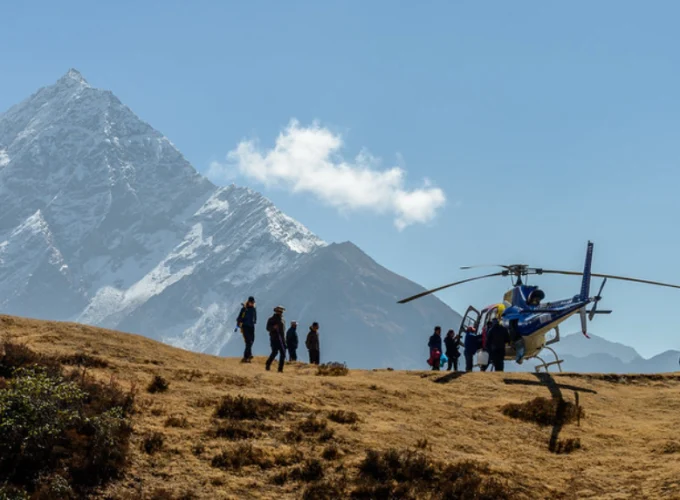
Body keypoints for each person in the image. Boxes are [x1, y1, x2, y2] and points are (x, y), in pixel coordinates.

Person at [265, 305, 287, 372]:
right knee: (275, 352)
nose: (280, 312)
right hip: (274, 339)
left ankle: (280, 369)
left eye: (281, 311)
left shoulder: (283, 320)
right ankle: (268, 364)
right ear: (276, 311)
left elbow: (283, 331)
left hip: (282, 339)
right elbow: (268, 328)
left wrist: (284, 340)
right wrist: (273, 327)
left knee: (283, 353)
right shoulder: (271, 319)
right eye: (279, 311)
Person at [236, 296, 257, 363]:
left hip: (251, 327)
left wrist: (254, 321)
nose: (252, 303)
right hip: (245, 327)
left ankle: (249, 354)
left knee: (252, 340)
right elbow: (239, 317)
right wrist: (238, 325)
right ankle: (246, 357)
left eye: (253, 302)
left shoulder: (253, 309)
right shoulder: (244, 309)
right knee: (248, 341)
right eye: (251, 302)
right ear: (248, 302)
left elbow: (255, 317)